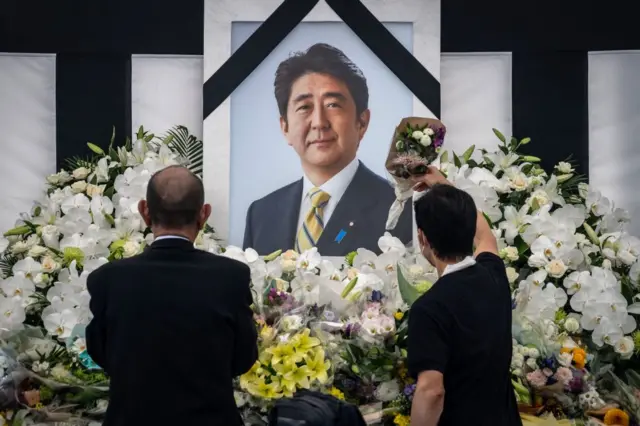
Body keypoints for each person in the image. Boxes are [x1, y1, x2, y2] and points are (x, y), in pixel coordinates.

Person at [86, 165, 258, 426]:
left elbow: (100, 354)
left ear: (144, 210)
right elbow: (243, 358)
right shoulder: (231, 277)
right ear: (204, 214)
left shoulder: (107, 280)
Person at [243, 43, 413, 256]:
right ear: (284, 127)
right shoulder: (261, 214)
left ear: (362, 122)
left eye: (333, 105)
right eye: (304, 107)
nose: (319, 122)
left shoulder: (400, 209)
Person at [407, 166, 522, 426]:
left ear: (422, 237)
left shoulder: (429, 308)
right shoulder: (494, 277)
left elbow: (431, 391)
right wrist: (445, 186)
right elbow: (486, 236)